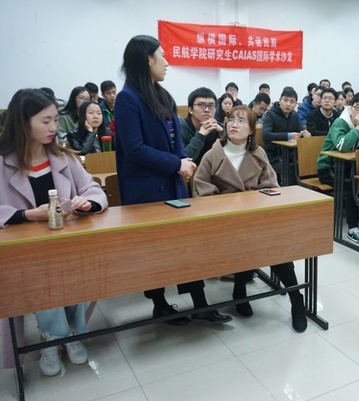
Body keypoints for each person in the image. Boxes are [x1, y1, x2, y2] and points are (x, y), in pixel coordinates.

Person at [114, 34, 230, 326]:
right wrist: (176, 163)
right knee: (154, 252)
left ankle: (200, 304)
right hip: (145, 190)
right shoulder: (128, 98)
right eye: (162, 55)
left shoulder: (163, 95)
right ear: (147, 59)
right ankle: (160, 305)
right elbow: (134, 148)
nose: (167, 62)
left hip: (173, 184)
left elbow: (174, 139)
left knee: (186, 247)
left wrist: (183, 161)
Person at [0, 88, 108, 376]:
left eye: (55, 120)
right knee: (42, 286)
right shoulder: (3, 162)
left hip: (67, 244)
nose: (53, 128)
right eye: (45, 121)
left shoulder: (63, 157)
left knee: (82, 278)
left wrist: (87, 203)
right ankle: (52, 338)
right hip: (26, 252)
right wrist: (25, 215)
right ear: (23, 123)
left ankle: (73, 334)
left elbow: (93, 189)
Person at [193, 105, 307, 333]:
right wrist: (231, 206)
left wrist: (253, 204)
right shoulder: (212, 155)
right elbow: (202, 193)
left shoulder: (258, 153)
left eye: (241, 121)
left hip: (256, 219)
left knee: (276, 246)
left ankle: (296, 299)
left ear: (252, 129)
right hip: (224, 223)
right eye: (231, 120)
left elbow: (272, 186)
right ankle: (240, 290)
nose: (234, 124)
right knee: (241, 243)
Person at [316, 90, 359, 244]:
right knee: (351, 185)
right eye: (357, 107)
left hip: (349, 167)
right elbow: (342, 146)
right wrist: (358, 128)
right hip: (328, 168)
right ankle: (352, 228)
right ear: (350, 107)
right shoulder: (340, 122)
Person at [262, 86, 310, 183]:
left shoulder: (294, 115)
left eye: (292, 102)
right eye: (285, 100)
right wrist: (288, 136)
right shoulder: (270, 115)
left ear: (295, 104)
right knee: (289, 171)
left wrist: (306, 134)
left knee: (306, 166)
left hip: (290, 155)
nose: (288, 104)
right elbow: (266, 135)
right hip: (273, 156)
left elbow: (300, 131)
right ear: (280, 100)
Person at [179, 87, 224, 165]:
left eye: (211, 105)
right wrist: (201, 135)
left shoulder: (218, 127)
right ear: (190, 109)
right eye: (201, 105)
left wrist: (222, 132)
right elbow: (184, 160)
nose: (207, 110)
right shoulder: (180, 127)